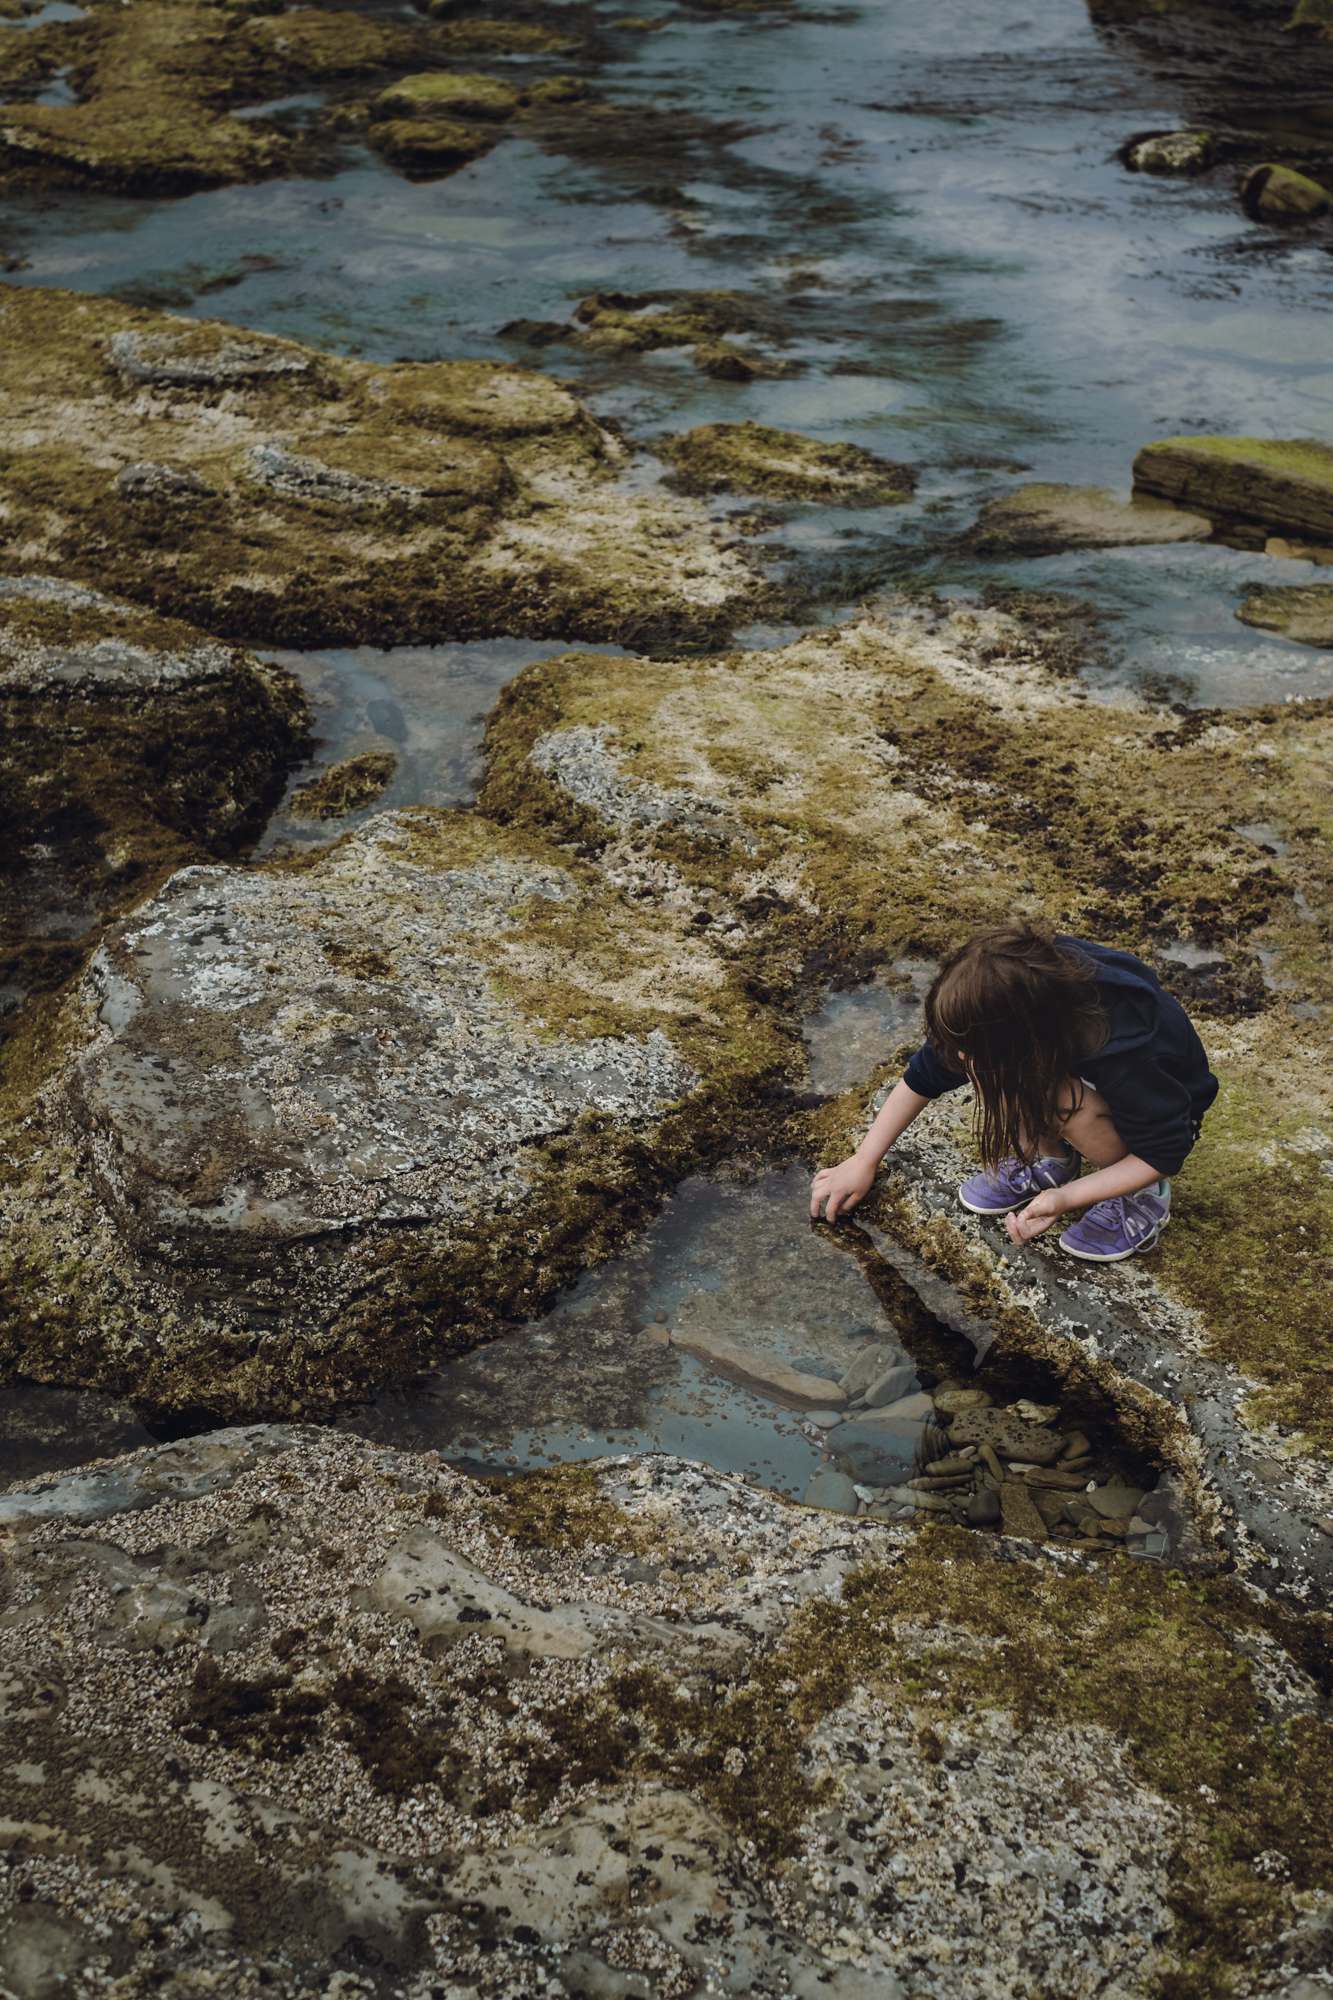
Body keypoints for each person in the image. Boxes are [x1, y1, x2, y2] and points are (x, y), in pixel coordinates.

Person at [809, 924, 1218, 1262]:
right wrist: (864, 1159)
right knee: (993, 1071)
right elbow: (924, 1076)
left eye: (973, 1049)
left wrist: (1064, 1199)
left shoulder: (1125, 1051)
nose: (961, 1058)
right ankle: (1047, 1154)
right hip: (1072, 1068)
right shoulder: (1013, 994)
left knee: (1065, 1101)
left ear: (1025, 1037)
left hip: (1160, 1119)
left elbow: (1164, 1152)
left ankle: (1141, 1197)